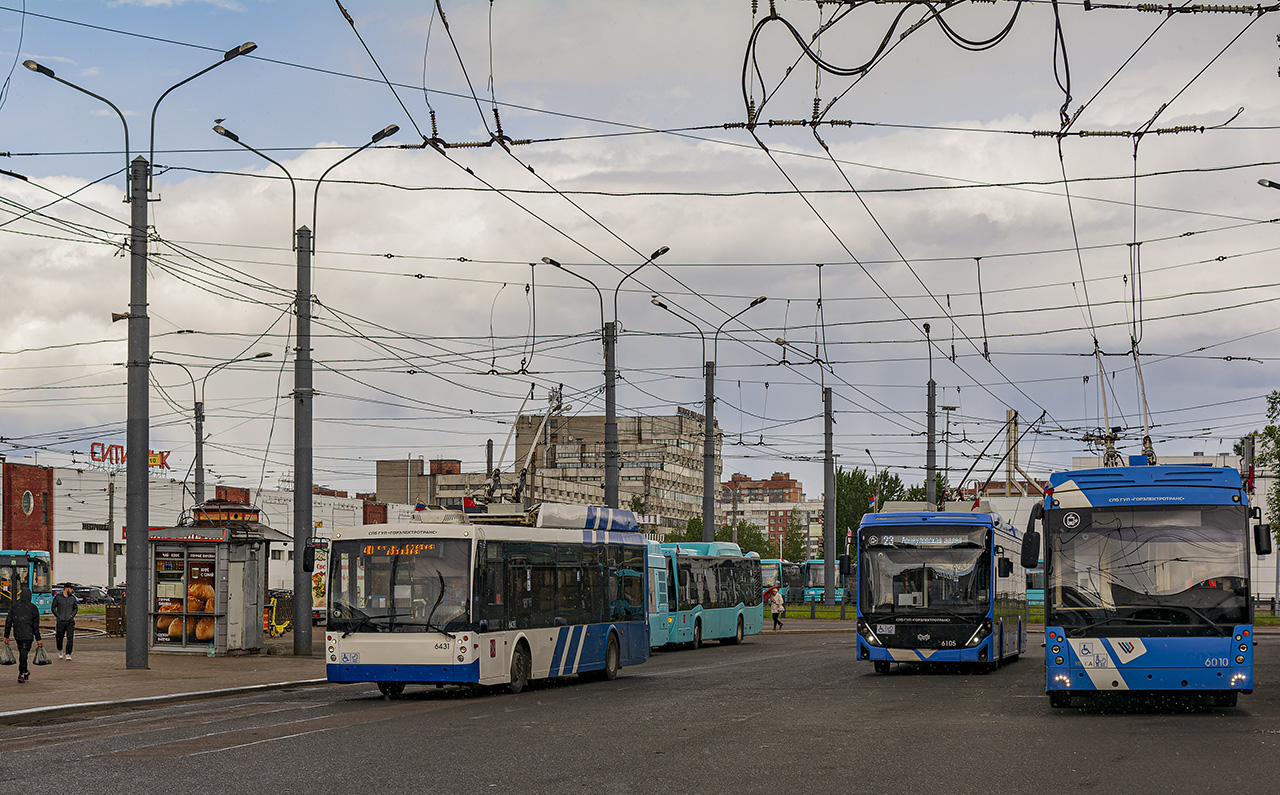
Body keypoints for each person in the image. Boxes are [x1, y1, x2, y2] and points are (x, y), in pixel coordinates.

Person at [4, 588, 43, 683]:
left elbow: (8, 622)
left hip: (18, 634)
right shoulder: (33, 608)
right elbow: (35, 626)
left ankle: (24, 672)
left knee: (22, 652)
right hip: (28, 635)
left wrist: (6, 636)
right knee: (24, 653)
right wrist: (38, 639)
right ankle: (22, 673)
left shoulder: (15, 607)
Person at [51, 584, 78, 660]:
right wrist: (58, 616)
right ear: (66, 588)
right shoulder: (58, 597)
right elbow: (53, 607)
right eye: (71, 589)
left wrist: (72, 615)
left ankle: (68, 653)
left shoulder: (72, 598)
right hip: (60, 621)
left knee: (70, 638)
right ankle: (60, 650)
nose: (72, 590)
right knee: (59, 637)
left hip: (70, 621)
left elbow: (75, 608)